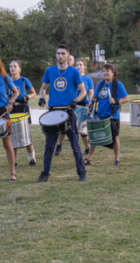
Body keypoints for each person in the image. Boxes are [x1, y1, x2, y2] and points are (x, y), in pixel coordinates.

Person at [37, 44, 87, 182]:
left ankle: (82, 173)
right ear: (56, 55)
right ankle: (45, 174)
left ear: (68, 56)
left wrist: (75, 100)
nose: (60, 56)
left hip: (68, 112)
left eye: (63, 53)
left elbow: (83, 91)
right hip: (53, 112)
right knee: (49, 146)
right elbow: (42, 89)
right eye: (58, 53)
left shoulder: (74, 72)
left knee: (75, 145)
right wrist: (41, 97)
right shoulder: (49, 71)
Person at [85, 63, 129, 166]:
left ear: (113, 73)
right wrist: (90, 108)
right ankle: (89, 158)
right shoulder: (100, 84)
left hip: (113, 116)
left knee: (115, 137)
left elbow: (126, 99)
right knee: (94, 137)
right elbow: (94, 98)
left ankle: (117, 159)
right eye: (104, 70)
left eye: (107, 71)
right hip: (100, 115)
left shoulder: (117, 84)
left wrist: (116, 102)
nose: (105, 72)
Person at [8, 60, 37, 167]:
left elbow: (34, 93)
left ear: (19, 69)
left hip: (23, 108)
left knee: (26, 135)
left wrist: (28, 97)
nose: (12, 68)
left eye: (15, 66)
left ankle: (31, 158)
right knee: (13, 136)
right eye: (11, 66)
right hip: (11, 109)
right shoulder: (6, 81)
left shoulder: (24, 80)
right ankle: (13, 161)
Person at [54, 54, 79, 155]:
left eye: (70, 59)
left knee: (78, 130)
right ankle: (59, 144)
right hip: (65, 105)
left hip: (77, 104)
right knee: (63, 129)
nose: (68, 61)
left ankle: (82, 149)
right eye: (67, 59)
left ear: (72, 62)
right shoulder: (61, 73)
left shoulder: (75, 73)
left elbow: (86, 91)